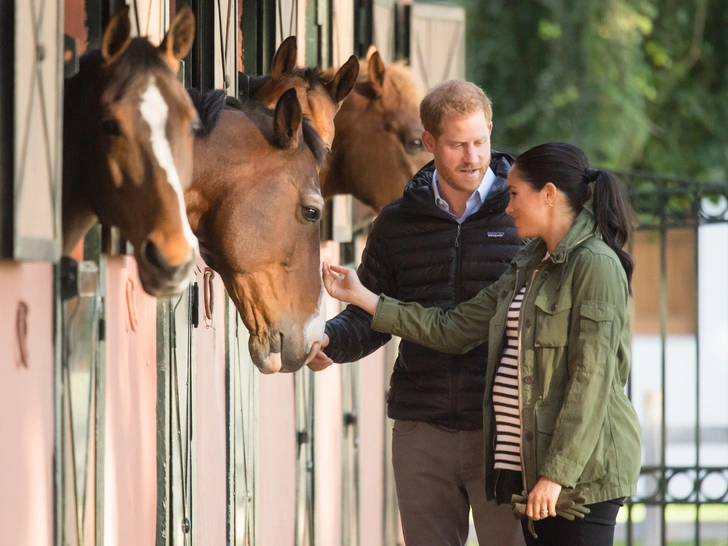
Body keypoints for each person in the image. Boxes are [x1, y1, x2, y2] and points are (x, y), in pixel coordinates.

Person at [321, 142, 642, 546]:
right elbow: (453, 327)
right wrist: (363, 297)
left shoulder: (594, 263)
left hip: (580, 478)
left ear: (548, 194)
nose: (507, 209)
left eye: (513, 195)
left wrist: (556, 475)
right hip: (537, 474)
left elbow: (590, 380)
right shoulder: (530, 264)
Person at [309, 80, 525, 546]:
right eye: (456, 146)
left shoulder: (521, 215)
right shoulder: (396, 222)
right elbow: (371, 310)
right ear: (429, 143)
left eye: (480, 142)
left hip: (504, 432)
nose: (472, 157)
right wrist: (331, 340)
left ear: (490, 129)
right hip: (422, 430)